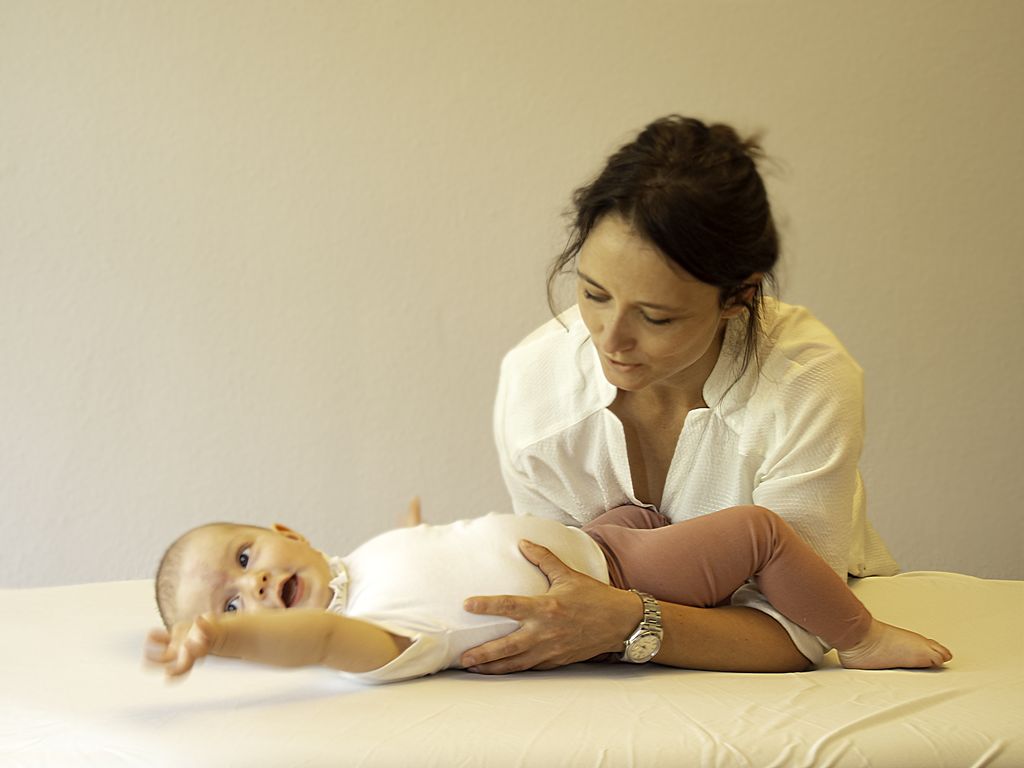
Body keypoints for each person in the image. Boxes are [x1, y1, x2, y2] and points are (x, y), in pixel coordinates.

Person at [459, 115, 903, 675]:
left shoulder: (805, 382)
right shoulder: (535, 387)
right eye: (594, 294)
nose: (611, 338)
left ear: (738, 297)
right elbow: (565, 595)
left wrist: (626, 622)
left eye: (656, 317)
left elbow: (803, 634)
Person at [144, 503, 950, 684]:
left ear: (284, 528)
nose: (252, 583)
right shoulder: (364, 636)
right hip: (622, 573)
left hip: (602, 534)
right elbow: (314, 644)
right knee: (759, 534)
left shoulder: (360, 561)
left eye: (245, 555)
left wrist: (418, 531)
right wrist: (228, 643)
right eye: (234, 603)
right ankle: (861, 634)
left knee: (648, 512)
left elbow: (440, 556)